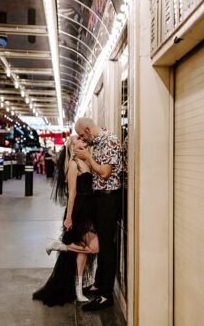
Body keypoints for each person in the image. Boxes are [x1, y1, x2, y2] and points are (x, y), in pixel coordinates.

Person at [33, 135, 98, 306]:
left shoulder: (87, 162)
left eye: (84, 140)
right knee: (93, 248)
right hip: (79, 211)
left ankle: (78, 290)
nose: (84, 141)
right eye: (80, 139)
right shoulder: (73, 164)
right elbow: (72, 194)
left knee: (84, 251)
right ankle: (57, 246)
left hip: (90, 209)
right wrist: (69, 217)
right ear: (72, 145)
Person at [75, 117, 123, 312]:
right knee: (102, 244)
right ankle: (98, 284)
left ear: (87, 129)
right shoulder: (99, 142)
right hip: (100, 198)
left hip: (109, 199)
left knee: (107, 246)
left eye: (82, 135)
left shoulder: (110, 141)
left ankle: (106, 295)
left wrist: (87, 158)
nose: (83, 139)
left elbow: (104, 172)